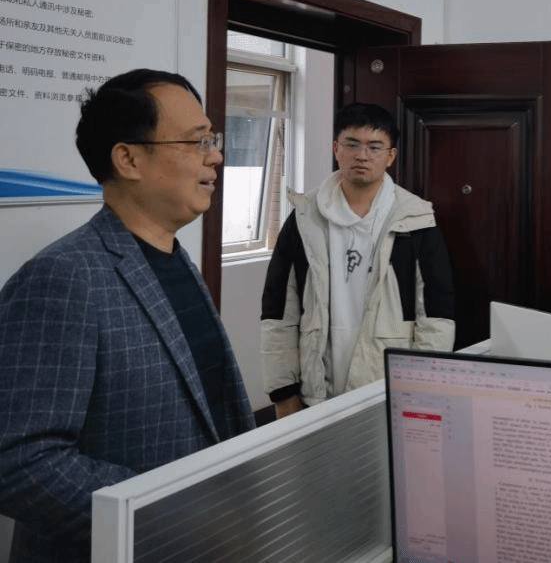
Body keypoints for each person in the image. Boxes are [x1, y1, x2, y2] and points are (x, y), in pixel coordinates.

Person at [0, 69, 254, 562]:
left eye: (213, 139)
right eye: (197, 141)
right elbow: (20, 461)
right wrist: (172, 515)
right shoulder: (64, 277)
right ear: (129, 159)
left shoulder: (175, 259)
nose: (215, 156)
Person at [261, 102, 455, 418]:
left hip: (388, 390)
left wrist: (424, 388)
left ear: (390, 156)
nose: (362, 155)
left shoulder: (415, 219)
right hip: (315, 390)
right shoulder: (305, 217)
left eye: (374, 147)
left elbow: (436, 315)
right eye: (352, 144)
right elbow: (279, 310)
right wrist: (283, 392)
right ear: (336, 149)